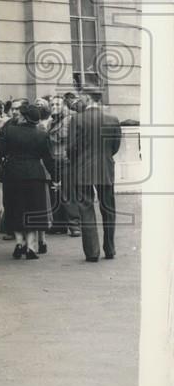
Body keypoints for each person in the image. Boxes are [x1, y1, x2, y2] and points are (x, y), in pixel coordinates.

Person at [68, 93, 122, 262]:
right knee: (108, 208)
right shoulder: (112, 119)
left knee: (86, 208)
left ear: (88, 99)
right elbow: (115, 146)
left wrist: (77, 160)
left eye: (81, 98)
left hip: (83, 169)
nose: (79, 101)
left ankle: (92, 252)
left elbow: (71, 147)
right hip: (105, 168)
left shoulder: (77, 119)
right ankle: (110, 248)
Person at [0, 104, 53, 260]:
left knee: (15, 208)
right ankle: (31, 246)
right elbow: (48, 157)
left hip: (13, 174)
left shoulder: (9, 131)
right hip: (35, 174)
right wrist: (56, 176)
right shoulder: (41, 134)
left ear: (23, 117)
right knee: (32, 209)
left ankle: (19, 242)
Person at [45, 95, 80, 238]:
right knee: (56, 193)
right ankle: (59, 224)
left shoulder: (70, 119)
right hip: (55, 160)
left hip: (67, 160)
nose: (54, 107)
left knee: (67, 192)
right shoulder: (52, 121)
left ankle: (74, 225)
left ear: (65, 106)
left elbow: (62, 137)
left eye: (57, 105)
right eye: (52, 105)